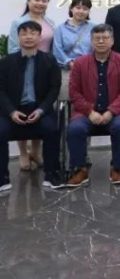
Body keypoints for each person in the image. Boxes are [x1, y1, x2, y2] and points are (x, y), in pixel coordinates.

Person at [66, 24, 120, 187]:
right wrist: (90, 112)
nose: (101, 41)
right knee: (75, 129)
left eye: (105, 38)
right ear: (91, 41)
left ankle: (117, 168)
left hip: (115, 113)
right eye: (97, 38)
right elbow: (74, 92)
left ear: (112, 41)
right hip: (86, 113)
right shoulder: (80, 63)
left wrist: (111, 111)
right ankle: (80, 169)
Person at [0, 21, 62, 191]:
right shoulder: (6, 62)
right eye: (24, 33)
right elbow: (1, 90)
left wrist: (41, 110)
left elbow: (54, 89)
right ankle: (2, 178)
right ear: (18, 37)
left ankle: (52, 174)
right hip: (13, 111)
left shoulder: (50, 60)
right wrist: (11, 112)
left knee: (52, 129)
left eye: (33, 33)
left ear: (40, 37)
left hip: (40, 109)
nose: (28, 37)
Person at [8, 0, 56, 171]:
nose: (40, 3)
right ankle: (23, 152)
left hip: (44, 71)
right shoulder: (18, 22)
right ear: (28, 1)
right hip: (22, 69)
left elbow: (52, 47)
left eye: (44, 0)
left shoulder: (50, 22)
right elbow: (13, 48)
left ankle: (35, 151)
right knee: (21, 107)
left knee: (40, 108)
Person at [52, 0, 95, 101]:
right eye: (78, 7)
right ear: (71, 9)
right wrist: (70, 63)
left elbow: (97, 48)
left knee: (87, 100)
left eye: (85, 9)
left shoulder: (94, 28)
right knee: (65, 99)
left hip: (88, 70)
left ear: (89, 11)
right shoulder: (60, 28)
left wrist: (86, 64)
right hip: (66, 70)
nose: (81, 11)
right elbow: (57, 49)